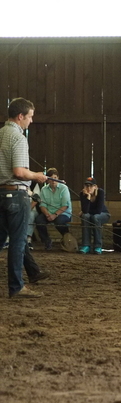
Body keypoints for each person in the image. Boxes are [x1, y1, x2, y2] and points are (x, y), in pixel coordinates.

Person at [0, 97, 49, 298]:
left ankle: (31, 274)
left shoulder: (1, 134)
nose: (31, 121)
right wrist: (37, 176)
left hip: (1, 193)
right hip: (15, 195)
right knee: (18, 243)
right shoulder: (18, 138)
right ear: (20, 116)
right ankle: (16, 286)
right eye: (29, 117)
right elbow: (19, 172)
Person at [35, 167, 72, 251]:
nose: (53, 180)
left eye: (55, 178)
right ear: (47, 180)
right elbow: (42, 204)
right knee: (39, 220)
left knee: (59, 221)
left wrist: (54, 215)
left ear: (58, 178)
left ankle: (66, 237)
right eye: (51, 178)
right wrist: (47, 214)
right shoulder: (44, 189)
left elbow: (65, 205)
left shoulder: (64, 188)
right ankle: (47, 241)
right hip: (48, 212)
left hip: (63, 213)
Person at [78, 177, 110, 254]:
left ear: (95, 186)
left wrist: (85, 211)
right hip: (91, 215)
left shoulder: (100, 192)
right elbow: (85, 211)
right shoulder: (82, 194)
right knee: (85, 216)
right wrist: (88, 198)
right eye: (87, 186)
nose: (89, 188)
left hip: (103, 214)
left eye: (91, 186)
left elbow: (98, 210)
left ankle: (98, 246)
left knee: (95, 217)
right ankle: (86, 245)